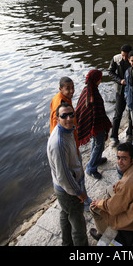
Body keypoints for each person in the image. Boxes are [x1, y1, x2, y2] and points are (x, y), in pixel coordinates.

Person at [89, 142, 133, 244]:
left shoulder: (126, 184)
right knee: (110, 189)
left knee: (94, 208)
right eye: (118, 158)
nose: (120, 162)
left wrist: (99, 203)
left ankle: (102, 233)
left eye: (124, 159)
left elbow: (112, 208)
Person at [47, 103, 88, 246]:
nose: (69, 118)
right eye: (64, 116)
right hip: (68, 190)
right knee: (79, 227)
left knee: (66, 214)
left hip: (63, 188)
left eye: (71, 114)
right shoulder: (59, 143)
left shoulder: (67, 130)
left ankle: (66, 243)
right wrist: (79, 192)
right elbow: (63, 176)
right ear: (57, 118)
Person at [75, 69, 112, 179]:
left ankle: (97, 159)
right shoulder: (93, 94)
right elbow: (95, 111)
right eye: (100, 78)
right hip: (96, 125)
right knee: (99, 145)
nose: (101, 80)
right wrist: (101, 126)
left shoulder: (87, 89)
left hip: (94, 125)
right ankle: (91, 168)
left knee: (96, 143)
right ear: (97, 80)